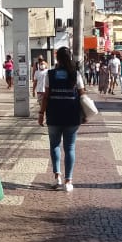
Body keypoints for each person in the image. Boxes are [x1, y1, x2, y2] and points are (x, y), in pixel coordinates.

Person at [38, 46, 86, 191]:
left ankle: (57, 176)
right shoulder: (75, 74)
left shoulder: (50, 74)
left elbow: (46, 97)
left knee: (54, 145)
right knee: (70, 148)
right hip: (72, 116)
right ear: (70, 57)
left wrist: (41, 113)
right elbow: (82, 95)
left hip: (54, 115)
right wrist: (85, 114)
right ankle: (68, 181)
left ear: (57, 58)